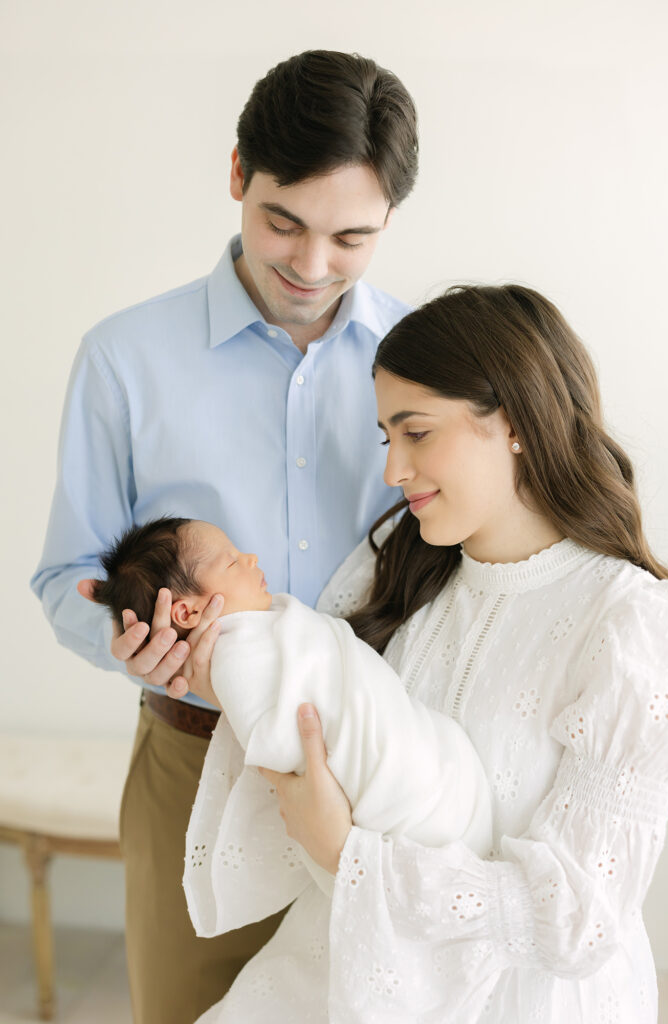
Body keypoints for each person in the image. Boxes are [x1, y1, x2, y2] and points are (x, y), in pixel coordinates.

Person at [30, 50, 419, 1024]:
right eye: (283, 220)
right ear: (238, 173)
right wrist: (134, 646)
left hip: (375, 764)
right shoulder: (124, 359)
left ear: (387, 225)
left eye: (352, 238)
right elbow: (65, 576)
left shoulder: (421, 362)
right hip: (187, 758)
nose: (310, 264)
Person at [180, 284, 668, 1023]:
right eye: (388, 438)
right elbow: (318, 741)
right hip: (344, 979)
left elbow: (580, 919)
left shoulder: (632, 625)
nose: (393, 471)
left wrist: (349, 853)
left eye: (415, 433)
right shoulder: (392, 575)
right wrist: (228, 674)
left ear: (513, 421)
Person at [88, 514, 492, 903]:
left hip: (395, 719)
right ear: (188, 611)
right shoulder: (231, 659)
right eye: (231, 560)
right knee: (413, 781)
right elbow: (274, 740)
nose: (251, 559)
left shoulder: (261, 627)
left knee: (425, 750)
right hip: (355, 766)